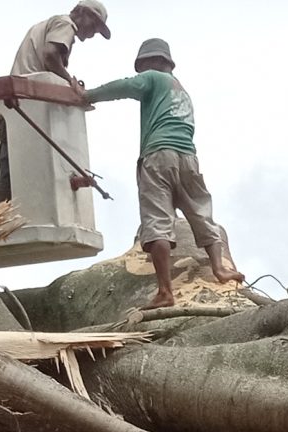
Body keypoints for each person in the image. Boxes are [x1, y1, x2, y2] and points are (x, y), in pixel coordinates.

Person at [84, 38, 246, 308]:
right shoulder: (182, 91)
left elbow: (123, 86)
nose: (141, 72)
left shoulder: (153, 78)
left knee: (158, 221)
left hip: (159, 155)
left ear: (152, 62)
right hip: (188, 157)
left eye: (143, 66)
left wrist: (86, 96)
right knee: (201, 213)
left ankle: (164, 292)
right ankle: (219, 268)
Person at [12, 0, 111, 87]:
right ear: (82, 12)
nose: (92, 34)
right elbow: (50, 55)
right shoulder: (66, 24)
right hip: (32, 88)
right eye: (94, 26)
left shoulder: (54, 22)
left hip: (22, 83)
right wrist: (70, 81)